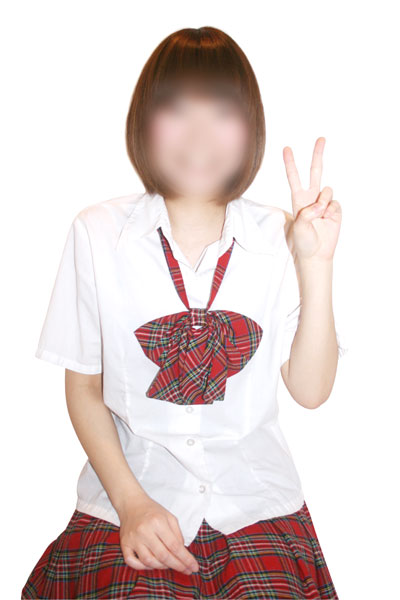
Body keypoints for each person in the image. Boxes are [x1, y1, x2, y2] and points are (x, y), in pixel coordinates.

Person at [21, 25, 347, 600]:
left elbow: (311, 390)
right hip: (130, 499)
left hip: (256, 502)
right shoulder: (98, 233)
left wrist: (316, 264)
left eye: (221, 112)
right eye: (177, 109)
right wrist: (133, 504)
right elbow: (84, 388)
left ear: (250, 128)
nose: (200, 134)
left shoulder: (282, 234)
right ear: (144, 122)